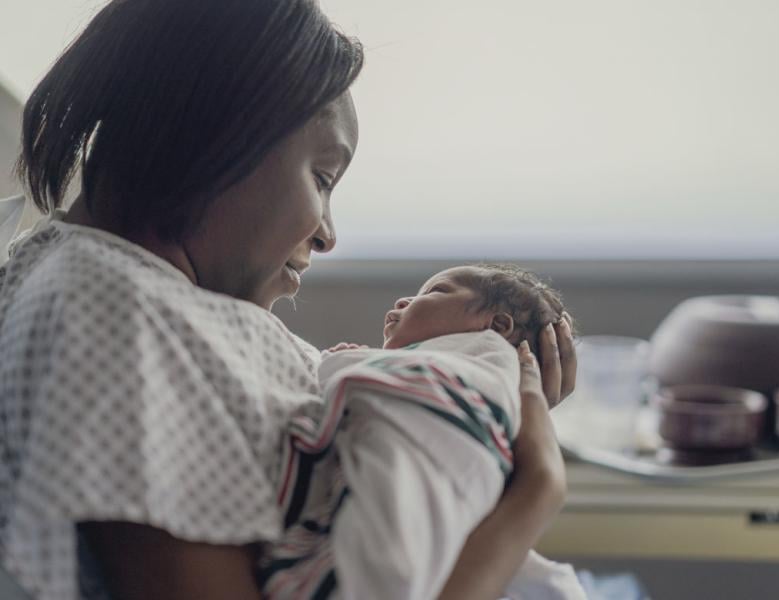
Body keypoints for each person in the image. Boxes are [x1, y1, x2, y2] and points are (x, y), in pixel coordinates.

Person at [0, 1, 576, 599]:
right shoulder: (110, 316)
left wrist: (473, 408)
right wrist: (531, 498)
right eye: (322, 179)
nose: (327, 234)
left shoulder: (156, 298)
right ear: (217, 133)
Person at [264, 264, 585, 599]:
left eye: (435, 291)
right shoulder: (501, 385)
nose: (403, 301)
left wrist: (347, 361)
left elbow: (330, 379)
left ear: (497, 326)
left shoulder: (484, 357)